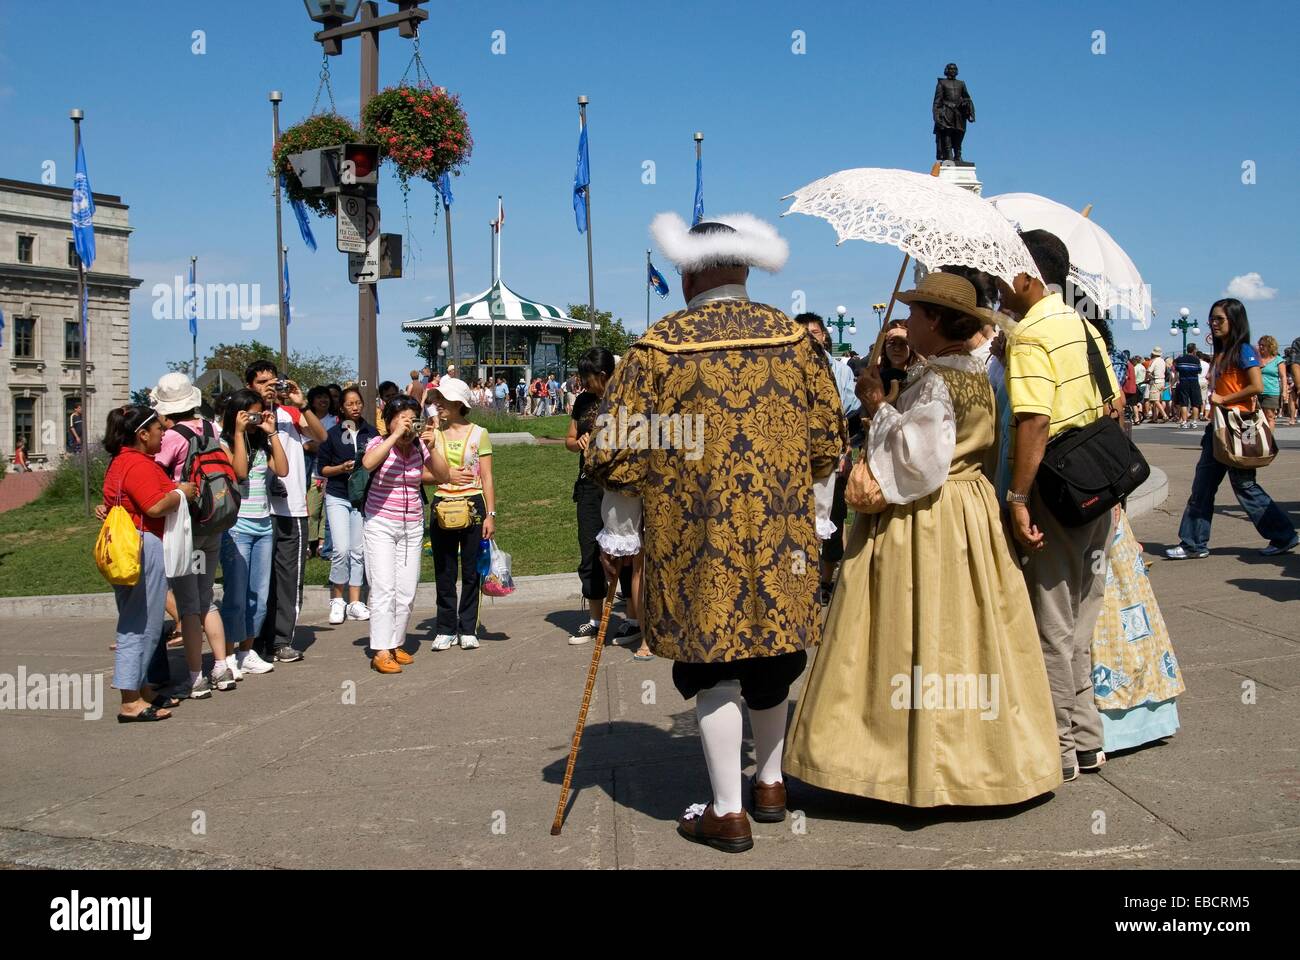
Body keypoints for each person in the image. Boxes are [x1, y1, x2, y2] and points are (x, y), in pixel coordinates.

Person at [586, 212, 844, 853]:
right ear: (746, 266)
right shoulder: (796, 342)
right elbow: (827, 445)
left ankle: (728, 811)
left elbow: (616, 456)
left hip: (695, 542)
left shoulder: (658, 348)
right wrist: (813, 520)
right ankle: (772, 783)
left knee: (712, 664)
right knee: (773, 657)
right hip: (782, 537)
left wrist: (619, 537)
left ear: (691, 270)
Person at [785, 272, 1060, 805]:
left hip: (932, 516)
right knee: (968, 633)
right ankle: (978, 758)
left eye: (915, 315)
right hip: (970, 511)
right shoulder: (974, 373)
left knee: (919, 627)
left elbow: (919, 460)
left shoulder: (938, 380)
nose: (907, 323)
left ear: (935, 320)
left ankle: (909, 766)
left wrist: (876, 406)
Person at [999, 229, 1122, 782]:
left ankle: (1060, 748)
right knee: (1080, 622)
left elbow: (1034, 421)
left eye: (1004, 270)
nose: (999, 283)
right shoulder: (1084, 326)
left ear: (1025, 274)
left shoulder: (1030, 334)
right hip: (1099, 488)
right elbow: (1112, 402)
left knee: (1051, 624)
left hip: (1056, 493)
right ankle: (1091, 740)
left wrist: (1019, 497)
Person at [1166, 300, 1297, 559]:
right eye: (1211, 319)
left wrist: (1224, 400)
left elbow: (1257, 386)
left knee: (1245, 485)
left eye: (1219, 319)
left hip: (1240, 424)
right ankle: (1193, 543)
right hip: (1218, 427)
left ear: (1234, 321)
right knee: (1203, 486)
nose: (1213, 324)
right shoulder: (1223, 352)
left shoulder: (1244, 350)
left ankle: (1283, 534)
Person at [102, 405, 195, 722]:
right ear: (142, 434)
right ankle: (130, 700)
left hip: (127, 547)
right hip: (143, 544)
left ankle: (142, 690)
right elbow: (154, 506)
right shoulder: (139, 465)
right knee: (140, 624)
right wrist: (181, 493)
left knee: (140, 619)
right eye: (158, 428)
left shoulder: (120, 462)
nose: (163, 433)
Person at [150, 372, 237, 698]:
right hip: (214, 520)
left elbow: (155, 473)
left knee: (188, 606)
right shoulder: (211, 428)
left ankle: (194, 677)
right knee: (206, 598)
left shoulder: (172, 437)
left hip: (185, 524)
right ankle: (221, 666)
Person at [361, 395, 452, 674]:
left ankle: (396, 642)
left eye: (412, 418)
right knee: (384, 588)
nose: (407, 424)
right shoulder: (379, 443)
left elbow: (443, 475)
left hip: (411, 526)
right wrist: (394, 436)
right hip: (380, 524)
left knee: (406, 590)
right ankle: (381, 649)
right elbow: (368, 463)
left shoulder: (418, 448)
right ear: (389, 422)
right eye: (401, 418)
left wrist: (430, 446)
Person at [246, 361, 328, 663]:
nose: (269, 386)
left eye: (273, 381)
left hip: (291, 508)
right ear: (250, 386)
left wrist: (301, 403)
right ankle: (254, 640)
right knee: (258, 580)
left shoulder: (291, 415)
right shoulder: (248, 419)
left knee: (289, 578)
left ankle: (281, 640)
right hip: (255, 511)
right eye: (261, 382)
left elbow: (321, 437)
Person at [1091, 506, 1184, 752]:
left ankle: (1107, 725)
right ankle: (1138, 719)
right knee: (1123, 602)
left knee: (1108, 609)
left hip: (1092, 510)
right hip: (1104, 505)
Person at [218, 388, 287, 678]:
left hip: (263, 525)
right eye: (250, 413)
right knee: (236, 594)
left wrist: (271, 433)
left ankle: (248, 650)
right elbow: (240, 473)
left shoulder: (262, 444)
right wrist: (237, 432)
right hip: (236, 527)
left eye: (259, 412)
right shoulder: (222, 443)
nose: (256, 418)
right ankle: (229, 654)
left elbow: (282, 470)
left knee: (258, 595)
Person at [428, 377, 497, 651]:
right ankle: (445, 628)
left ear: (458, 403)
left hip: (473, 505)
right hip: (442, 504)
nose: (437, 405)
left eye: (442, 400)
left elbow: (488, 477)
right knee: (444, 570)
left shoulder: (480, 433)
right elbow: (424, 472)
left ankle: (468, 627)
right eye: (436, 400)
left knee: (471, 570)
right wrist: (431, 439)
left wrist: (490, 514)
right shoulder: (433, 434)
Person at [797, 312, 861, 605]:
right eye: (804, 331)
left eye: (815, 331)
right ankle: (801, 579)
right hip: (798, 456)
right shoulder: (788, 366)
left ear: (825, 335)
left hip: (832, 453)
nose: (811, 335)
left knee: (832, 516)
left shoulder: (839, 369)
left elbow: (847, 408)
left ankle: (824, 580)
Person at [567, 348, 617, 645]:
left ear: (602, 375)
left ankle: (632, 619)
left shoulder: (622, 399)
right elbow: (569, 440)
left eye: (587, 377)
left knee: (623, 552)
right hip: (588, 486)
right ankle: (595, 619)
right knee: (590, 551)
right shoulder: (583, 402)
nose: (583, 384)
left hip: (616, 486)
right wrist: (579, 442)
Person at [316, 386, 377, 624]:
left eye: (358, 403)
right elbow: (322, 469)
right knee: (340, 549)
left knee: (358, 551)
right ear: (341, 407)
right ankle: (337, 599)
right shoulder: (332, 434)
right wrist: (341, 468)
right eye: (349, 403)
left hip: (360, 498)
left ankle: (355, 601)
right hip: (337, 496)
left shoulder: (371, 433)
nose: (355, 407)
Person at [304, 386, 336, 559]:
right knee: (312, 509)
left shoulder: (335, 420)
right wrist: (324, 446)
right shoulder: (305, 420)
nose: (323, 400)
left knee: (327, 511)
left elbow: (330, 446)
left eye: (326, 397)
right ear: (312, 401)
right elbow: (305, 445)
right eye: (319, 398)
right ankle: (309, 543)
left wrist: (320, 446)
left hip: (330, 471)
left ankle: (323, 544)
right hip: (312, 471)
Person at [1171, 345, 1203, 429]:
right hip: (1194, 381)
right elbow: (1199, 371)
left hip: (1183, 381)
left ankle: (1184, 422)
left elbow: (1177, 369)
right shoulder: (1196, 359)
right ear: (1194, 350)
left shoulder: (1180, 359)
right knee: (1195, 403)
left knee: (1183, 403)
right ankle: (1194, 422)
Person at [1258, 335, 1284, 431]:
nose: (1260, 347)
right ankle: (1254, 442)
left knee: (1269, 416)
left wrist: (1284, 392)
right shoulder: (1257, 359)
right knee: (1254, 416)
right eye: (1260, 345)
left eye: (1263, 345)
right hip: (1256, 390)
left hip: (1271, 391)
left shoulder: (1278, 360)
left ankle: (1269, 441)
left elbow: (1283, 377)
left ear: (1270, 346)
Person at [1147, 348, 1167, 422]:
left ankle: (1164, 415)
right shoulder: (1163, 361)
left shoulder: (1154, 361)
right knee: (1158, 400)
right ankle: (1155, 417)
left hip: (1156, 381)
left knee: (1155, 400)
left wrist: (1150, 378)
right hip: (1162, 381)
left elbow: (1149, 371)